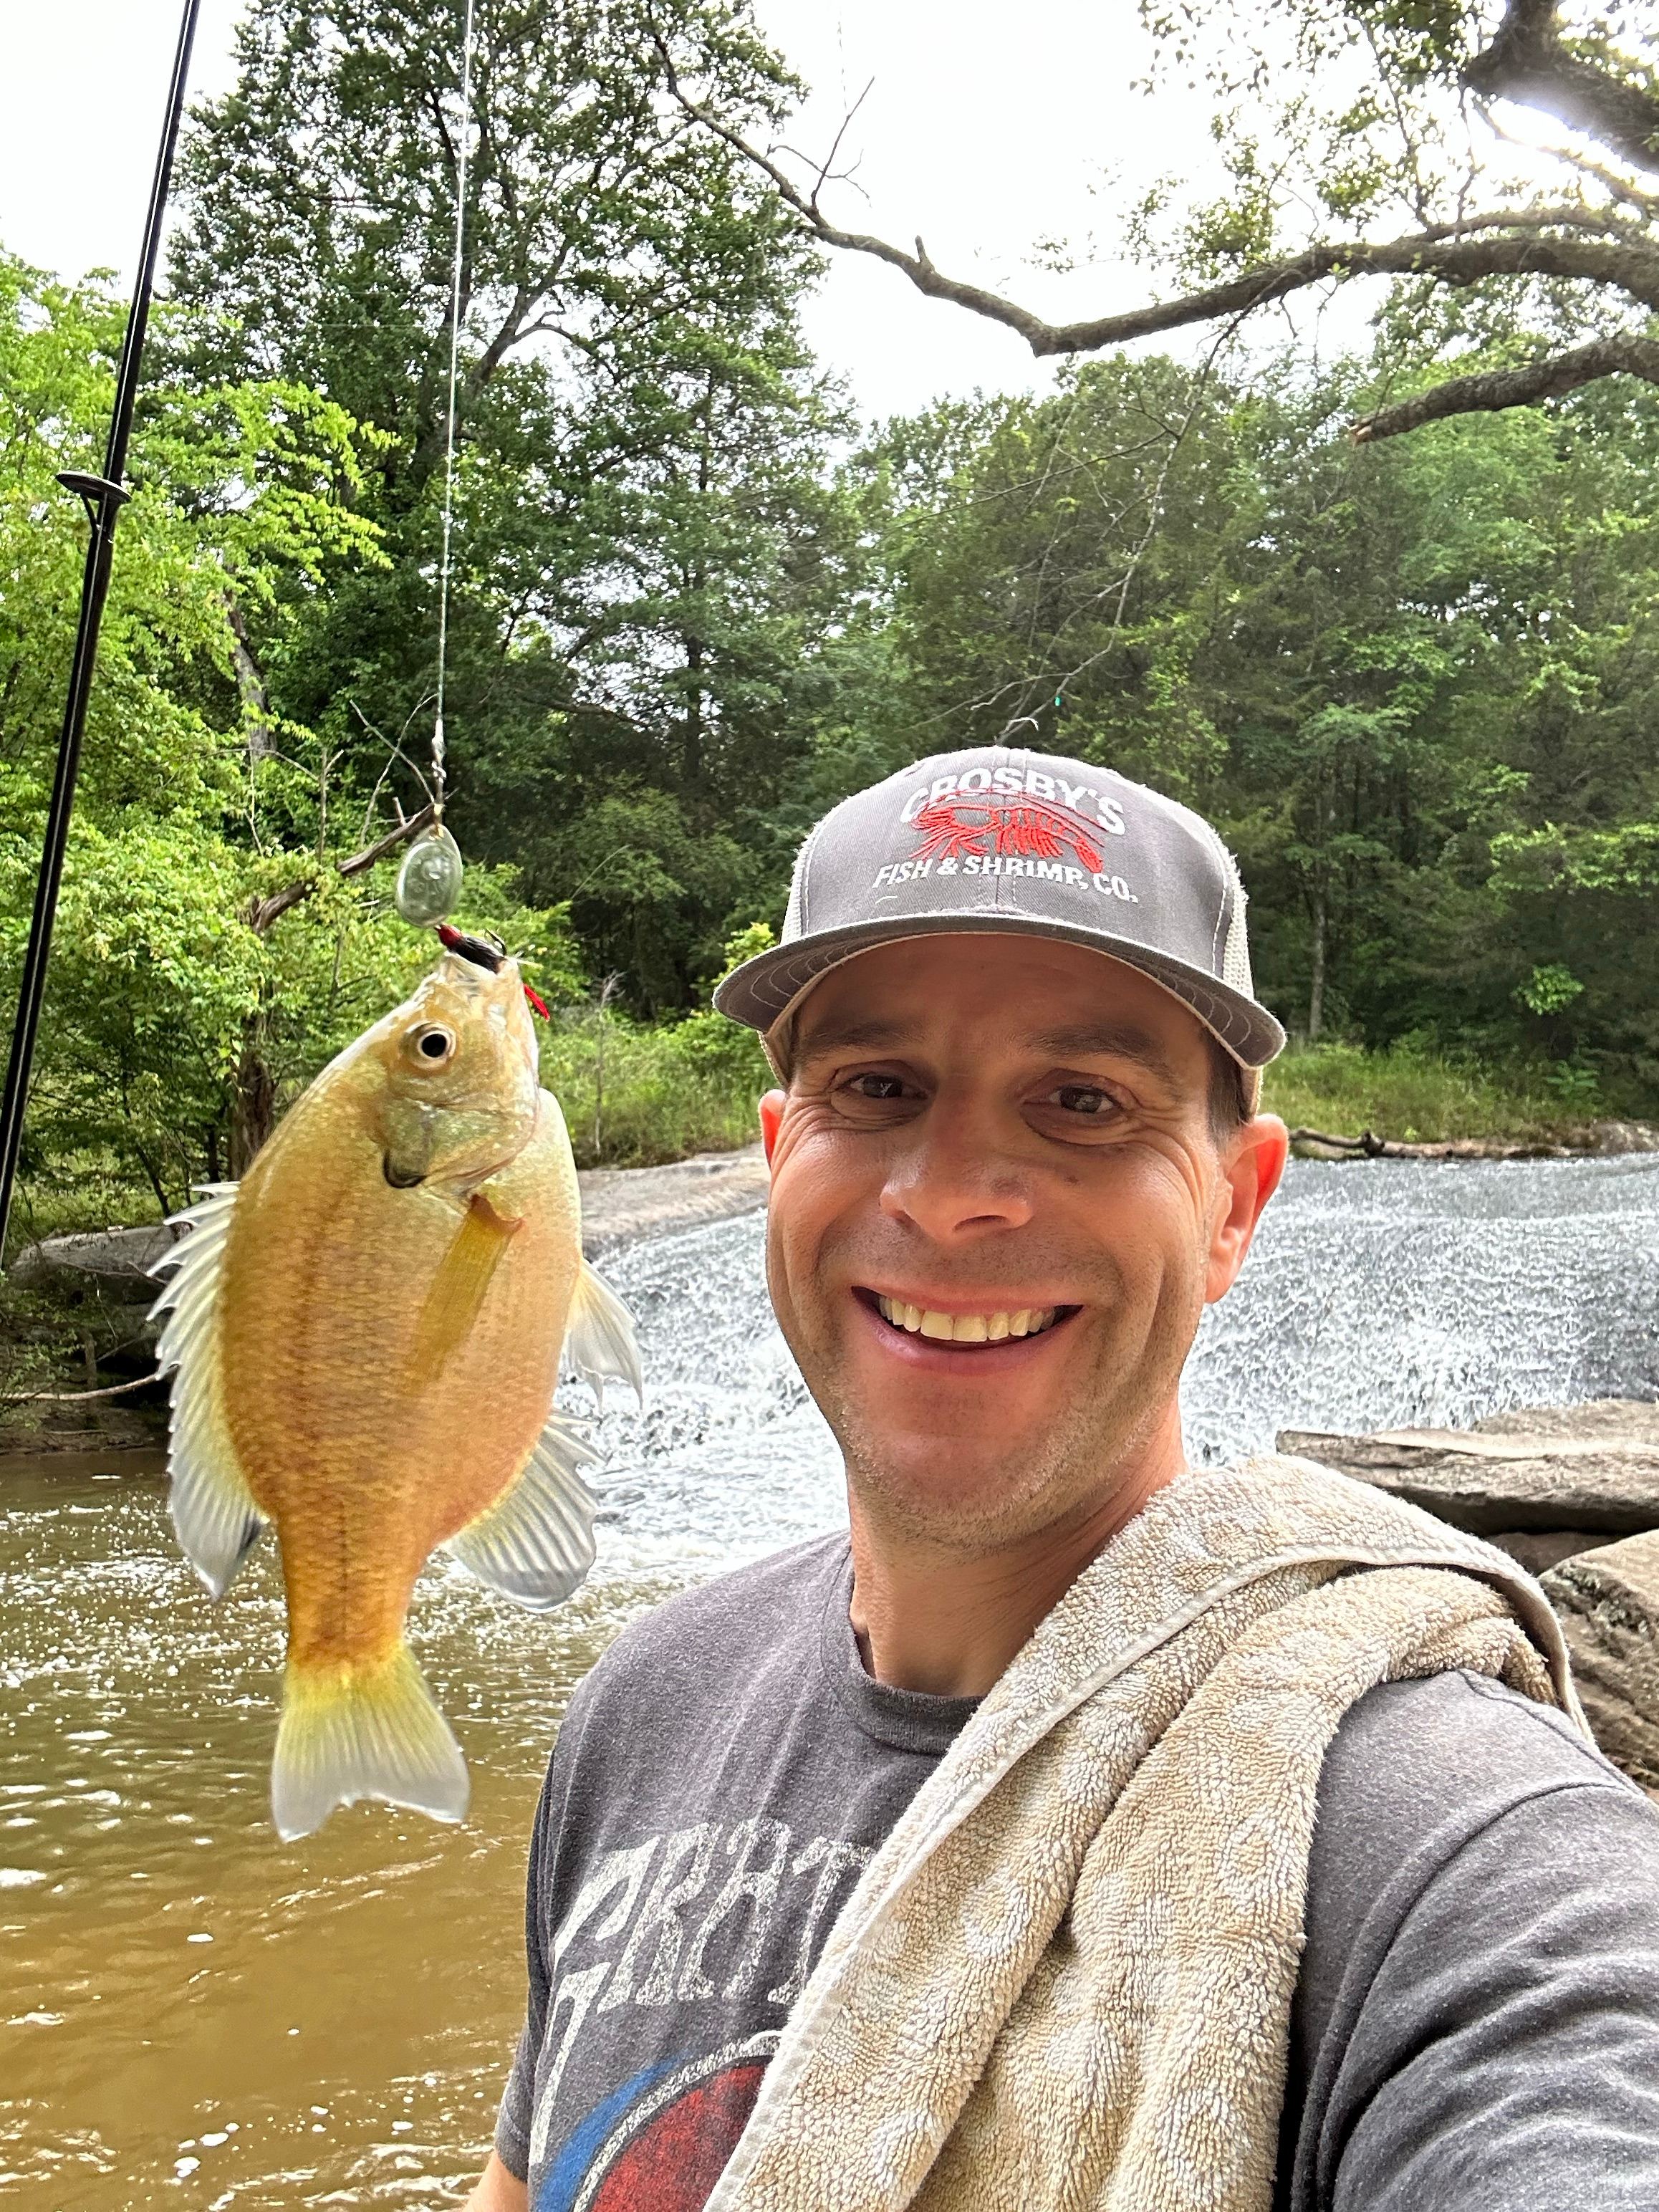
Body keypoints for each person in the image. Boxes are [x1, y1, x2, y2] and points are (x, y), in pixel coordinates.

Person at [466, 748, 1659, 2212]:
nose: (948, 1187)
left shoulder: (1451, 1846)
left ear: (1239, 1204)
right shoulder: (644, 1705)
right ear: (779, 1156)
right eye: (877, 1085)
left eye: (1085, 1100)